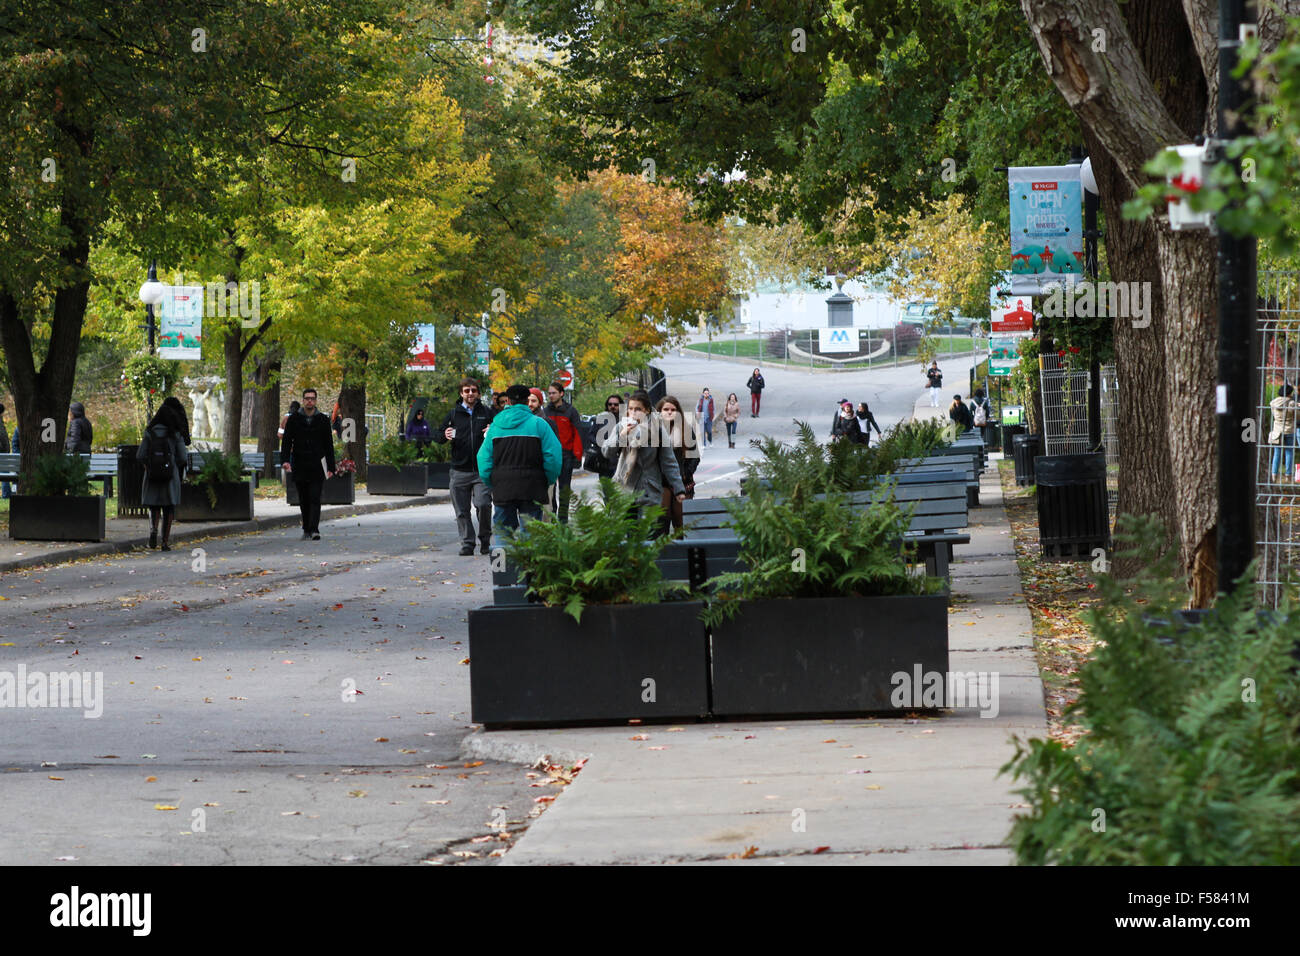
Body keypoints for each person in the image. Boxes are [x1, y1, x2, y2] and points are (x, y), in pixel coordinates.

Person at [478, 384, 562, 534]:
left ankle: (502, 557)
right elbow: (553, 457)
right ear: (526, 401)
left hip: (503, 488)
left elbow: (483, 459)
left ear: (508, 401)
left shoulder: (495, 427)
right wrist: (546, 480)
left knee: (503, 534)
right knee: (530, 536)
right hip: (533, 488)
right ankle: (526, 558)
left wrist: (493, 482)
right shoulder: (539, 424)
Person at [602, 390, 686, 533]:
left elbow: (669, 461)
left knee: (648, 534)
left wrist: (678, 489)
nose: (633, 413)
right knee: (628, 536)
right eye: (630, 409)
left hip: (648, 489)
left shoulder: (657, 429)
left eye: (638, 409)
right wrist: (622, 436)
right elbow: (606, 452)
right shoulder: (621, 427)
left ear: (646, 410)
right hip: (625, 488)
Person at [434, 377, 495, 554]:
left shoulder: (487, 412)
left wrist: (492, 430)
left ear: (478, 393)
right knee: (461, 511)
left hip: (481, 470)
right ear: (461, 393)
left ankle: (485, 539)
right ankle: (467, 543)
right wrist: (444, 435)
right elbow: (437, 436)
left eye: (473, 390)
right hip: (459, 470)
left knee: (483, 504)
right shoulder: (453, 414)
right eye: (467, 391)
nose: (470, 394)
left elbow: (499, 433)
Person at [280, 388, 336, 541]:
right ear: (303, 400)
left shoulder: (323, 420)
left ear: (316, 401)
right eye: (307, 398)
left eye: (312, 398)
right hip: (300, 463)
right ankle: (306, 528)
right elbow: (286, 442)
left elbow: (328, 445)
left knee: (315, 497)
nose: (310, 401)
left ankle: (315, 529)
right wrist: (285, 460)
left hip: (317, 465)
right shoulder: (294, 419)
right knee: (304, 498)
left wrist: (331, 467)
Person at [136, 397, 190, 552]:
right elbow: (182, 457)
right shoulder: (175, 433)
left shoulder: (150, 432)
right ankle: (165, 542)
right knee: (168, 508)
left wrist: (148, 466)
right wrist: (173, 466)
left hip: (152, 475)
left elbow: (140, 455)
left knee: (154, 506)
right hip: (170, 476)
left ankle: (153, 530)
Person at [655, 395, 698, 533]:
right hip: (661, 481)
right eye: (666, 409)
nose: (669, 412)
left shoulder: (686, 430)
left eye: (673, 409)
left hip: (683, 480)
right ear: (659, 412)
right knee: (663, 519)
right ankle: (665, 552)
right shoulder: (652, 431)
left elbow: (694, 456)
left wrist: (686, 472)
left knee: (681, 521)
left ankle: (683, 551)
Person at [542, 382, 584, 523]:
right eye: (549, 393)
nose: (551, 395)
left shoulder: (571, 411)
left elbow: (577, 434)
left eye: (553, 393)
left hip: (566, 455)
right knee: (550, 491)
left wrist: (577, 456)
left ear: (561, 393)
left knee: (565, 490)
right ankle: (552, 517)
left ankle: (563, 521)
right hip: (550, 456)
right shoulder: (545, 412)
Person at [583, 395, 622, 479]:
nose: (612, 406)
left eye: (616, 404)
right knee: (606, 488)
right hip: (604, 461)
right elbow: (591, 435)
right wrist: (601, 443)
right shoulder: (601, 418)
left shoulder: (625, 420)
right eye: (610, 404)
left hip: (620, 462)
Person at [1268, 383, 1300, 483]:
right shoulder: (1291, 403)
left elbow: (1274, 415)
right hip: (1289, 430)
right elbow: (1297, 416)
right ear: (1289, 393)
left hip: (1277, 431)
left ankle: (1273, 475)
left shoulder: (1273, 403)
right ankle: (1288, 475)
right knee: (1289, 452)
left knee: (1276, 453)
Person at [0, 402, 10, 499]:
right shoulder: (0, 424)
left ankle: (6, 494)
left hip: (3, 454)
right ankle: (6, 494)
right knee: (5, 473)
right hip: (3, 454)